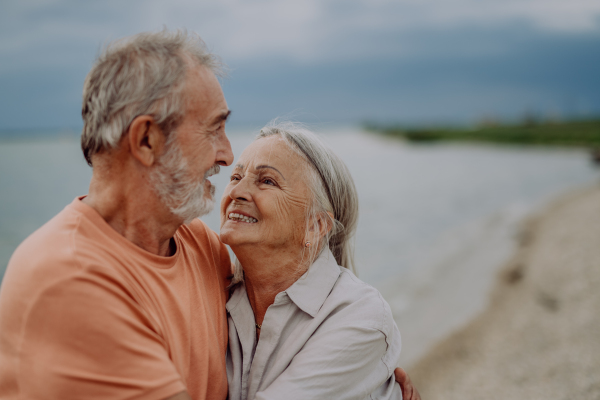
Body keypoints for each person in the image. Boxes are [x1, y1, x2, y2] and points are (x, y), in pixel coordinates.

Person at [0, 30, 420, 400]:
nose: (226, 155)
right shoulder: (67, 277)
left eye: (266, 180)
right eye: (214, 129)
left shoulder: (202, 248)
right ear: (146, 140)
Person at [221, 122, 419, 399]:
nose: (235, 193)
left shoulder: (360, 318)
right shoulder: (214, 288)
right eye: (235, 177)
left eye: (267, 181)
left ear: (315, 226)